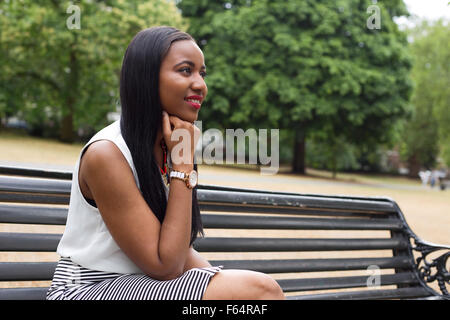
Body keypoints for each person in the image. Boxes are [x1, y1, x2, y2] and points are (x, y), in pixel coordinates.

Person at [46, 26, 284, 300]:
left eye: (202, 73)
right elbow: (165, 266)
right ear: (146, 79)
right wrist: (183, 167)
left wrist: (217, 279)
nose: (201, 85)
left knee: (255, 293)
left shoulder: (168, 147)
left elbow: (177, 251)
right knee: (261, 291)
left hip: (144, 284)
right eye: (186, 70)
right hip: (88, 289)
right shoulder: (107, 154)